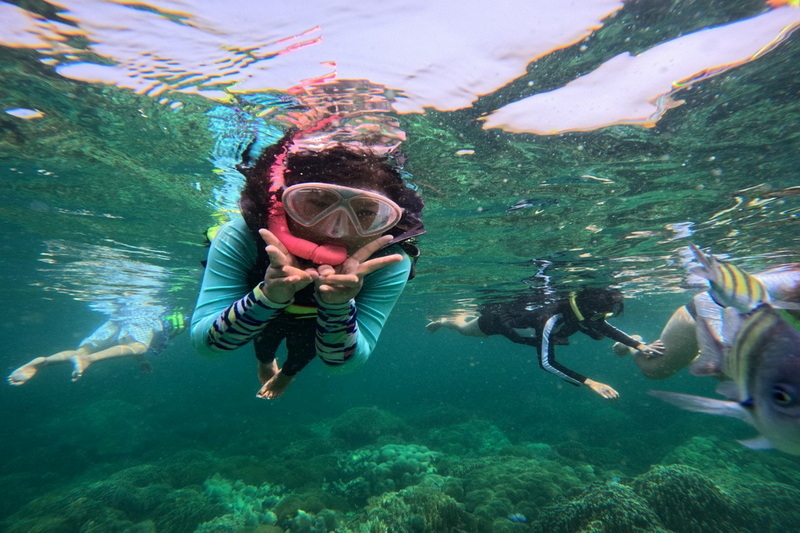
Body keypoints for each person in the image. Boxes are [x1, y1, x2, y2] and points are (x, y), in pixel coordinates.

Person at [191, 87, 425, 400]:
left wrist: (338, 307)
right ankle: (265, 361)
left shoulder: (389, 262)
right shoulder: (241, 236)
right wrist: (267, 296)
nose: (337, 230)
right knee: (266, 338)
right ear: (284, 204)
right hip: (269, 313)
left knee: (302, 348)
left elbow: (339, 366)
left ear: (390, 219)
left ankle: (286, 373)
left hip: (311, 322)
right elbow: (205, 346)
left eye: (367, 213)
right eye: (316, 203)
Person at [426, 288, 661, 399]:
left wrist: (639, 346)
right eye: (600, 314)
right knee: (465, 329)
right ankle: (445, 321)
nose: (602, 320)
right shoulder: (549, 320)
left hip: (535, 322)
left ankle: (631, 346)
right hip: (499, 322)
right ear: (586, 310)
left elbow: (602, 326)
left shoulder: (581, 312)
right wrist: (590, 383)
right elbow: (547, 363)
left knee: (597, 330)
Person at [614, 261, 800, 379]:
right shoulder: (782, 282)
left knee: (734, 375)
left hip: (743, 323)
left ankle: (699, 354)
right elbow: (707, 300)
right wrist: (717, 344)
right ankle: (631, 342)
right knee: (655, 370)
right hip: (701, 315)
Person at [8, 306, 187, 385]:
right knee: (139, 346)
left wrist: (140, 361)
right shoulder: (160, 323)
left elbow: (130, 341)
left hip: (117, 318)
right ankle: (90, 359)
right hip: (143, 318)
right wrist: (140, 356)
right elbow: (137, 343)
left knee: (82, 350)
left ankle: (45, 362)